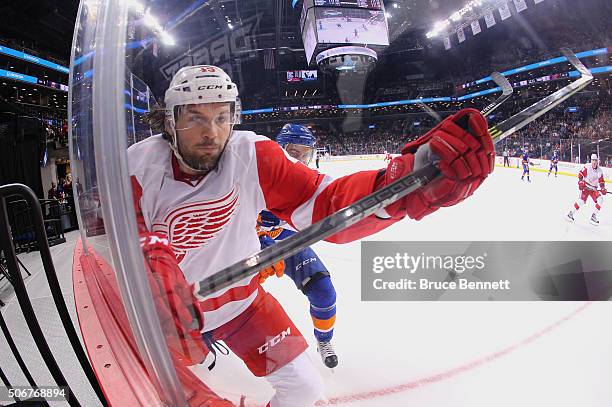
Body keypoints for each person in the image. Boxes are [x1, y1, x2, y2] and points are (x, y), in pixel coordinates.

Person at [132, 65, 494, 406]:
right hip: (172, 319)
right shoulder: (138, 166)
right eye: (196, 118)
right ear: (170, 119)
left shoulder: (250, 154)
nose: (211, 132)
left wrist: (400, 185)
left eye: (221, 117)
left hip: (243, 306)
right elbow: (116, 236)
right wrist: (151, 264)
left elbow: (325, 202)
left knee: (305, 388)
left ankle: (322, 342)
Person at [258, 124, 338, 369]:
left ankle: (324, 341)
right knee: (227, 297)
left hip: (289, 245)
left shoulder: (312, 184)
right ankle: (203, 336)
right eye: (293, 152)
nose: (299, 160)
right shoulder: (256, 175)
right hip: (250, 249)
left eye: (305, 154)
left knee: (324, 293)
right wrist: (260, 239)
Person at [566, 154, 607, 226]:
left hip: (593, 189)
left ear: (597, 161)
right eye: (593, 160)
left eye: (595, 160)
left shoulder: (599, 170)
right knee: (581, 202)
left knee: (600, 200)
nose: (594, 162)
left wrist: (603, 188)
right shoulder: (587, 166)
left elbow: (601, 181)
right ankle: (570, 214)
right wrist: (580, 181)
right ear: (591, 161)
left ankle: (593, 216)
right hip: (586, 187)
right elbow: (580, 174)